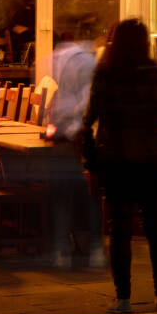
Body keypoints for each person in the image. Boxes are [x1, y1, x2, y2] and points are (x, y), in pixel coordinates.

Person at [82, 18, 157, 314]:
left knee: (120, 231)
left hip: (116, 160)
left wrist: (91, 156)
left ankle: (123, 297)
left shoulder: (106, 76)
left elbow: (89, 120)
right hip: (154, 161)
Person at [46, 19, 101, 268]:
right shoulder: (87, 62)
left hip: (63, 135)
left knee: (62, 191)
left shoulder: (61, 56)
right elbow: (86, 102)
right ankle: (86, 246)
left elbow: (62, 96)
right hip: (76, 136)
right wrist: (77, 128)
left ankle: (63, 247)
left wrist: (56, 124)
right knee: (76, 192)